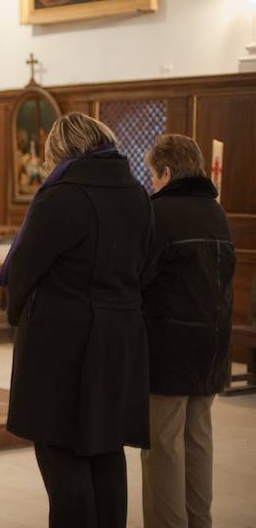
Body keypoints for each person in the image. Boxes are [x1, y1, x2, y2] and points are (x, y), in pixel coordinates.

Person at [0, 112, 152, 528]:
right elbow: (144, 263)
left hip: (62, 340)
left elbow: (25, 268)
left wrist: (18, 315)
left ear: (61, 152)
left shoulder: (61, 195)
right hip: (119, 335)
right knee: (105, 447)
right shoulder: (137, 193)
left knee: (61, 448)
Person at [140, 134, 235, 528]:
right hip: (212, 342)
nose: (152, 185)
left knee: (162, 444)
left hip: (169, 344)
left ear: (166, 172)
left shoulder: (158, 214)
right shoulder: (216, 212)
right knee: (198, 438)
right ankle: (199, 521)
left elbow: (140, 277)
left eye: (154, 177)